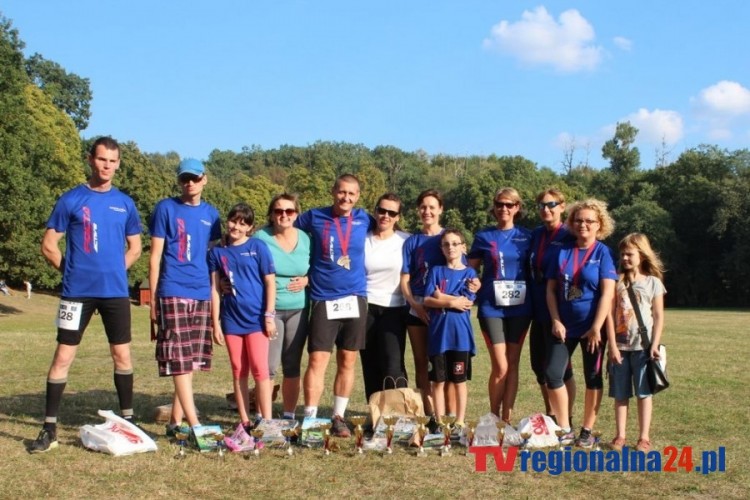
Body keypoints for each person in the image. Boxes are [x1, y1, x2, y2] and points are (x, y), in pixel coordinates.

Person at [30, 137, 142, 453]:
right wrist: (71, 272)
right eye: (102, 159)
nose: (107, 166)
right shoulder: (71, 199)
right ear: (91, 159)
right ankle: (49, 428)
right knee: (63, 356)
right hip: (76, 294)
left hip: (115, 294)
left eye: (113, 161)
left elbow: (135, 248)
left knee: (122, 355)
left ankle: (129, 420)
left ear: (119, 164)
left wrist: (116, 272)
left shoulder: (126, 203)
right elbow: (48, 245)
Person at [295, 174, 373, 437]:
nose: (346, 198)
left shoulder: (365, 218)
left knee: (347, 360)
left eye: (352, 194)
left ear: (358, 196)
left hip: (355, 298)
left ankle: (338, 417)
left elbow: (389, 232)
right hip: (323, 297)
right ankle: (310, 419)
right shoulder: (313, 217)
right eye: (342, 192)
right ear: (333, 192)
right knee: (317, 359)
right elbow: (283, 227)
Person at [149, 158, 221, 438]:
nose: (189, 183)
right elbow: (154, 257)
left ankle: (174, 422)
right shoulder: (165, 208)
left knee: (189, 360)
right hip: (172, 289)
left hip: (202, 292)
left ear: (204, 179)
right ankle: (197, 425)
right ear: (179, 181)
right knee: (178, 360)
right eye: (184, 179)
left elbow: (213, 257)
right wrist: (154, 300)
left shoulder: (212, 215)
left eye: (194, 178)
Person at [545, 198, 617, 447]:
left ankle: (587, 430)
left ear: (599, 225)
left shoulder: (603, 253)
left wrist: (597, 327)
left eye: (589, 221)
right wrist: (555, 319)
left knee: (593, 378)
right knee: (552, 374)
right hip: (564, 326)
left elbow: (608, 293)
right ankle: (565, 428)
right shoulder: (562, 251)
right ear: (572, 223)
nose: (583, 224)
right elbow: (551, 290)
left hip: (591, 328)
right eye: (578, 220)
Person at [468, 187, 532, 424]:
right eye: (499, 204)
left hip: (521, 308)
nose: (503, 209)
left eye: (509, 204)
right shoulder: (484, 237)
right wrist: (471, 283)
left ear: (517, 208)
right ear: (494, 207)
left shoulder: (527, 236)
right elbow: (469, 268)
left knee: (513, 364)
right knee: (501, 366)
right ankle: (493, 418)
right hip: (491, 307)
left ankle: (507, 420)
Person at [210, 203, 277, 427]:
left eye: (242, 223)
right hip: (231, 320)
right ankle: (245, 421)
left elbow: (270, 282)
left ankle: (266, 421)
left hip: (257, 320)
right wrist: (215, 324)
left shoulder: (258, 247)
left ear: (250, 227)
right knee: (239, 370)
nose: (236, 226)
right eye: (233, 220)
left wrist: (269, 315)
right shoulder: (217, 252)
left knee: (260, 369)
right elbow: (215, 289)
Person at [253, 193, 311, 419]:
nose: (284, 215)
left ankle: (289, 416)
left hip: (299, 308)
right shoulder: (260, 237)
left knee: (292, 365)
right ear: (271, 214)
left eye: (289, 211)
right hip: (271, 311)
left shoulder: (307, 239)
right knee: (268, 367)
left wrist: (308, 280)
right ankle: (262, 417)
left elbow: (318, 268)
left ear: (296, 214)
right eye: (278, 211)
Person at [607, 233, 666, 453]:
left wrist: (654, 344)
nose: (625, 258)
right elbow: (609, 316)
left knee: (644, 393)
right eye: (622, 254)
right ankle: (620, 436)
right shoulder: (615, 281)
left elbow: (659, 316)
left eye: (630, 254)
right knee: (621, 394)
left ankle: (644, 438)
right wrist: (612, 346)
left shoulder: (653, 283)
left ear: (641, 255)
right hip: (620, 348)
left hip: (644, 348)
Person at [528, 189, 576, 426]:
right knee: (538, 366)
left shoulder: (571, 234)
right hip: (538, 308)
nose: (546, 209)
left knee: (559, 369)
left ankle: (566, 418)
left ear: (562, 206)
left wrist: (572, 300)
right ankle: (551, 414)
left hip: (561, 312)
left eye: (551, 204)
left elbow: (581, 272)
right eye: (541, 206)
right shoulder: (536, 234)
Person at [400, 189, 447, 427]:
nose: (427, 211)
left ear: (440, 209)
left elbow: (461, 270)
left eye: (432, 207)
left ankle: (447, 415)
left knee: (442, 360)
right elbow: (404, 279)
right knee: (421, 361)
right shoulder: (412, 241)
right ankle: (430, 415)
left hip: (443, 309)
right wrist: (415, 305)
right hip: (417, 307)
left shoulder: (449, 237)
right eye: (423, 207)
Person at [423, 229, 477, 426]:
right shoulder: (436, 271)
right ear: (441, 248)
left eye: (455, 243)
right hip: (439, 336)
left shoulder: (471, 274)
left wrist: (443, 297)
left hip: (460, 337)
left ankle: (460, 421)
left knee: (459, 380)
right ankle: (438, 421)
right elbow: (428, 299)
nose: (450, 247)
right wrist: (451, 302)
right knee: (438, 381)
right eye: (446, 244)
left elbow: (467, 301)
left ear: (463, 247)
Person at [361, 193, 410, 402]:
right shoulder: (362, 239)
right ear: (375, 211)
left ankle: (399, 417)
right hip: (365, 307)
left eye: (392, 212)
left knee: (393, 365)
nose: (386, 216)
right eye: (382, 210)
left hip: (394, 308)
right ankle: (376, 415)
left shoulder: (406, 240)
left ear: (398, 217)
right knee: (370, 364)